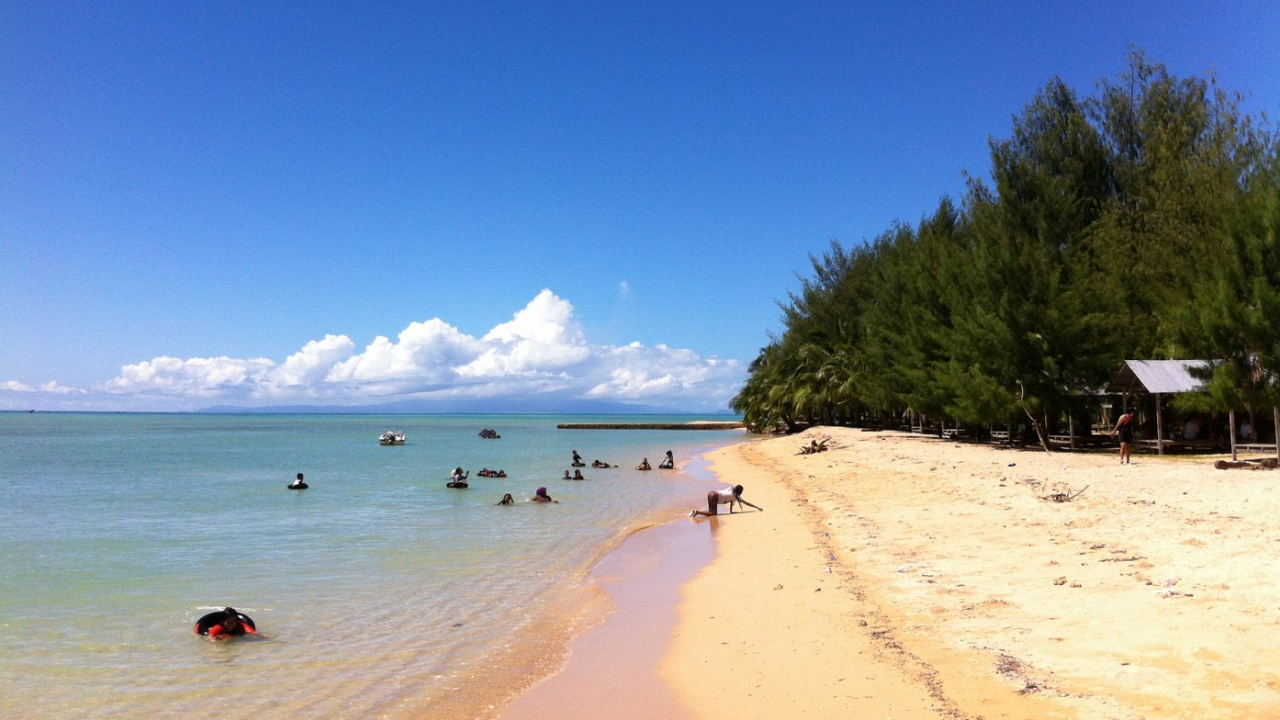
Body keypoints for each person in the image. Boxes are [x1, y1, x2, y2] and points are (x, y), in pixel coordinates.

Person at [690, 485, 763, 517]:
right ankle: (697, 512)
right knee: (713, 513)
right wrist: (757, 507)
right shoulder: (736, 497)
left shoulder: (731, 489)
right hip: (715, 496)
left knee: (710, 512)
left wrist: (731, 511)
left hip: (711, 493)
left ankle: (695, 512)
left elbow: (731, 501)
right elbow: (746, 503)